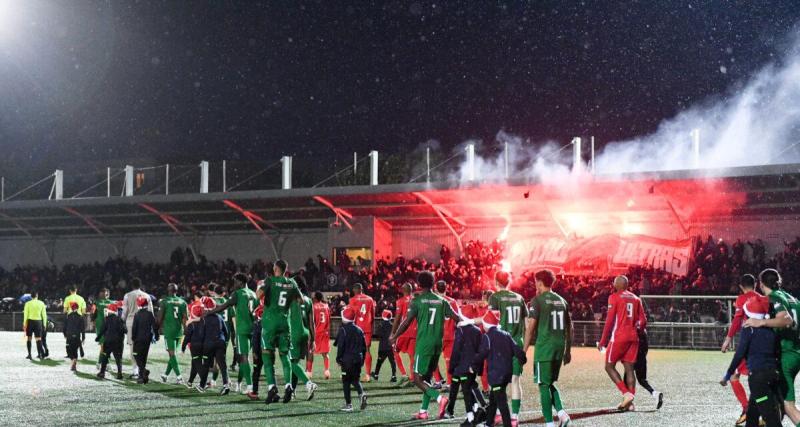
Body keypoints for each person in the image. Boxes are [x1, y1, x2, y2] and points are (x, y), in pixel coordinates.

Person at [391, 271, 460, 420]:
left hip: (424, 344)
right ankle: (423, 411)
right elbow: (457, 318)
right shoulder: (442, 301)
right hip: (437, 344)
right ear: (433, 283)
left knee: (416, 378)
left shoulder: (417, 301)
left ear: (419, 284)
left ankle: (440, 399)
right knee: (427, 378)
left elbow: (406, 321)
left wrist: (394, 335)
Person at [743, 268, 800, 426]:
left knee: (788, 406)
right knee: (773, 396)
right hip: (795, 352)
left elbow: (786, 319)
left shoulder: (774, 297)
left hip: (785, 355)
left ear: (761, 284)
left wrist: (760, 322)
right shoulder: (792, 298)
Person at [256, 260, 317, 405]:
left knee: (267, 355)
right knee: (285, 356)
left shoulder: (270, 280)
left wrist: (263, 287)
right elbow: (301, 300)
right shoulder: (292, 283)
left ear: (275, 268)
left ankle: (272, 387)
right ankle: (288, 385)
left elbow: (258, 295)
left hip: (270, 323)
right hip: (285, 324)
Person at [721, 295, 783, 427]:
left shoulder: (748, 329)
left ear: (748, 313)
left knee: (771, 419)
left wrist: (727, 375)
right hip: (773, 374)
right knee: (752, 415)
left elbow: (739, 355)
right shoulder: (771, 328)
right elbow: (778, 352)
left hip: (757, 378)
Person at [523, 269, 572, 427]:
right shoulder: (562, 301)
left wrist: (523, 351)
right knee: (549, 382)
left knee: (543, 385)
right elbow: (570, 327)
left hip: (545, 347)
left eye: (535, 282)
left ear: (539, 282)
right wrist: (568, 350)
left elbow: (530, 328)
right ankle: (563, 415)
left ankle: (549, 424)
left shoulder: (537, 301)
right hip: (559, 346)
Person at [598, 275, 646, 412]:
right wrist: (637, 330)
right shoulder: (636, 299)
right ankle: (630, 405)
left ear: (616, 285)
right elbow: (643, 321)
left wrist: (603, 341)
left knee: (609, 366)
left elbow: (609, 321)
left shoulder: (614, 297)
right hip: (633, 337)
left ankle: (626, 394)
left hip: (619, 337)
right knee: (629, 369)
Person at [472, 309, 527, 427]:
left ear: (486, 325)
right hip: (507, 373)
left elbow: (482, 354)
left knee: (502, 402)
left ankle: (507, 425)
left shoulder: (487, 336)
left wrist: (473, 365)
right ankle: (488, 423)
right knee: (493, 399)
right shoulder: (506, 334)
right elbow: (518, 350)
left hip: (496, 374)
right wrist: (523, 359)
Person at [206, 273, 258, 395]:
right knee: (242, 358)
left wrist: (208, 312)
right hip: (252, 329)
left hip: (242, 330)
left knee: (244, 357)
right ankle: (239, 383)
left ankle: (250, 387)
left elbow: (224, 306)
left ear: (240, 282)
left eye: (235, 282)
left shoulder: (238, 294)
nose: (234, 284)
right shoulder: (253, 294)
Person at [487, 271, 528, 425]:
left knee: (497, 381)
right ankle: (515, 417)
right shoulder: (519, 298)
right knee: (516, 380)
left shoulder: (495, 297)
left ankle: (497, 413)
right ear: (509, 281)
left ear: (496, 281)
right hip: (517, 342)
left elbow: (491, 321)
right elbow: (527, 324)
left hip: (500, 344)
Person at [722, 274, 761, 424]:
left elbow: (737, 320)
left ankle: (747, 409)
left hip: (749, 345)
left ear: (740, 286)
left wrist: (727, 339)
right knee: (760, 379)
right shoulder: (763, 299)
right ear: (756, 284)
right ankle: (764, 412)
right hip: (763, 345)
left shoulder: (741, 299)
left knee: (733, 376)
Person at [446, 304, 486, 426]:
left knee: (463, 390)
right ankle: (477, 409)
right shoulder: (477, 330)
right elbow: (480, 350)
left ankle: (470, 416)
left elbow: (456, 350)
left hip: (461, 367)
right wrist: (477, 368)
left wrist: (451, 366)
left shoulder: (461, 330)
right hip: (472, 366)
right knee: (469, 388)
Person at [335, 306, 368, 412]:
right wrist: (362, 360)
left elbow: (341, 346)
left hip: (347, 360)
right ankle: (361, 394)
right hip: (358, 358)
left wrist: (338, 359)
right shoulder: (360, 330)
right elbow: (364, 347)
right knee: (355, 380)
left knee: (346, 381)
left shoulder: (343, 330)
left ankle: (349, 405)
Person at [288, 277, 316, 400]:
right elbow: (312, 323)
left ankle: (308, 383)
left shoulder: (291, 298)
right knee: (296, 362)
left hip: (294, 332)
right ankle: (293, 391)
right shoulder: (308, 300)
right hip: (305, 333)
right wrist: (313, 339)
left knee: (290, 362)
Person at [197, 297, 231, 395]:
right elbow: (226, 332)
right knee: (222, 365)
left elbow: (201, 334)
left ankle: (202, 385)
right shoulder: (219, 317)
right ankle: (226, 385)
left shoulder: (204, 318)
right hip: (220, 342)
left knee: (206, 365)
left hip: (209, 344)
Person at [635, 299, 664, 410]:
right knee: (642, 380)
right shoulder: (643, 329)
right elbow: (646, 347)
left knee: (627, 379)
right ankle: (655, 393)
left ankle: (628, 402)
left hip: (633, 357)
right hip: (642, 357)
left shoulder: (634, 326)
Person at [122, 278, 152, 379]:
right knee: (143, 348)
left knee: (133, 348)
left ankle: (136, 370)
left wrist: (122, 322)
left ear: (131, 285)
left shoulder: (127, 295)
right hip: (144, 323)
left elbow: (124, 312)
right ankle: (142, 370)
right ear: (140, 285)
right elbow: (151, 311)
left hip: (131, 322)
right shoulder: (147, 296)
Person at [158, 283, 187, 385]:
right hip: (179, 332)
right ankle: (165, 375)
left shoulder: (165, 301)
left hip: (169, 332)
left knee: (172, 355)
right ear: (176, 290)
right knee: (173, 355)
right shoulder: (182, 302)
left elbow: (160, 317)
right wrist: (186, 330)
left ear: (168, 290)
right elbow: (184, 318)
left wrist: (158, 329)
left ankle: (179, 377)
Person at [348, 283, 376, 382]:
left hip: (356, 328)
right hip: (367, 328)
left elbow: (350, 316)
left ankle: (354, 373)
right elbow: (373, 316)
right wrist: (371, 329)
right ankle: (367, 375)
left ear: (355, 290)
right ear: (362, 289)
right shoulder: (370, 299)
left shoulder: (352, 300)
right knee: (367, 350)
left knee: (354, 350)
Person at [391, 282, 417, 385]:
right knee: (412, 356)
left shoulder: (400, 301)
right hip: (415, 331)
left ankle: (403, 374)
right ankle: (412, 379)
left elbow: (397, 319)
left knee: (394, 349)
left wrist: (393, 333)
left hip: (404, 331)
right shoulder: (417, 301)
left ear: (402, 290)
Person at [131, 296, 158, 384]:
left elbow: (134, 328)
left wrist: (133, 337)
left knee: (136, 355)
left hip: (138, 338)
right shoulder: (150, 314)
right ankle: (142, 377)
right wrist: (156, 335)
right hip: (147, 338)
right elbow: (154, 326)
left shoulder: (137, 314)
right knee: (144, 357)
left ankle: (143, 371)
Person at [97, 302, 126, 380]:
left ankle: (102, 373)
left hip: (108, 341)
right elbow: (125, 330)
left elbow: (102, 329)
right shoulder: (120, 319)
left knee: (105, 357)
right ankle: (119, 374)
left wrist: (98, 338)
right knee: (118, 358)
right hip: (118, 342)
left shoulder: (107, 319)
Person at [438, 281, 458, 389]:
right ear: (447, 288)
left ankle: (438, 380)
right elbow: (457, 317)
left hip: (437, 335)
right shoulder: (453, 302)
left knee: (431, 358)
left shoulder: (433, 301)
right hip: (450, 335)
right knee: (448, 361)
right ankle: (450, 383)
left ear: (436, 289)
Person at [182, 304, 205, 389]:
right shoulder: (204, 322)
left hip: (195, 346)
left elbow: (187, 337)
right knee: (194, 363)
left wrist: (183, 347)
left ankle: (204, 382)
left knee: (198, 364)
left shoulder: (192, 324)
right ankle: (190, 381)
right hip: (204, 346)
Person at [310, 291, 332, 379]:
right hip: (325, 332)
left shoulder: (313, 307)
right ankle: (327, 371)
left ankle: (309, 372)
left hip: (316, 333)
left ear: (315, 298)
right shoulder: (326, 306)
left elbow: (312, 321)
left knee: (310, 352)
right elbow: (329, 319)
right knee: (325, 354)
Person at [371, 309, 397, 382]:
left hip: (382, 347)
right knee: (392, 362)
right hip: (390, 347)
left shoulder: (381, 325)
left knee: (379, 362)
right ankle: (394, 376)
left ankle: (376, 375)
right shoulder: (392, 325)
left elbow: (378, 335)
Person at [93, 288, 114, 371]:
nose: (105, 294)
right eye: (103, 292)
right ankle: (101, 363)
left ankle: (103, 363)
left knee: (106, 345)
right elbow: (93, 313)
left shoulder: (111, 302)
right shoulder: (97, 302)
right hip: (100, 326)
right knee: (103, 345)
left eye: (106, 292)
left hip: (109, 326)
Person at [63, 285, 87, 358]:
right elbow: (84, 311)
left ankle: (69, 353)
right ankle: (80, 349)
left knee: (69, 335)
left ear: (70, 290)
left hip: (70, 318)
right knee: (77, 335)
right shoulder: (81, 298)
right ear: (76, 290)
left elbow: (64, 310)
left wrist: (66, 314)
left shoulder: (67, 298)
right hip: (79, 318)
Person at [22, 291, 47, 360]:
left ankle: (29, 354)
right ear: (37, 295)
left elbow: (25, 315)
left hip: (30, 322)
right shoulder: (41, 303)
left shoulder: (27, 304)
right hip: (38, 322)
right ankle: (39, 354)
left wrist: (24, 324)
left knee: (29, 338)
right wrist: (44, 324)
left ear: (31, 296)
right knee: (38, 339)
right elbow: (44, 315)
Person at [64, 302, 85, 372]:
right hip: (75, 336)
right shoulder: (79, 316)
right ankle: (74, 363)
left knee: (69, 350)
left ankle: (73, 362)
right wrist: (83, 337)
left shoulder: (69, 316)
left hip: (70, 336)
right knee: (74, 350)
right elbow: (83, 329)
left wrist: (64, 334)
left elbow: (65, 326)